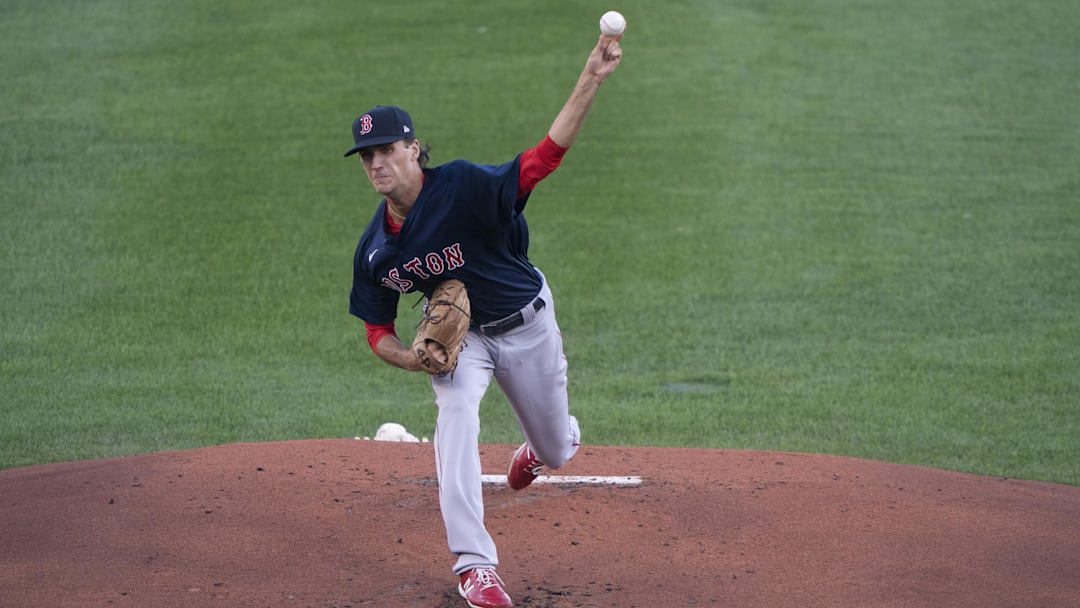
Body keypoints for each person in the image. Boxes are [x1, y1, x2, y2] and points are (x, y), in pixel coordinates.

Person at [345, 32, 622, 608]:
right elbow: (377, 327)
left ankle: (542, 447)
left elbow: (543, 158)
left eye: (387, 150)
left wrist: (591, 78)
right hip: (463, 341)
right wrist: (409, 356)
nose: (377, 163)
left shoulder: (466, 186)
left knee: (555, 451)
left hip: (527, 323)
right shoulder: (376, 251)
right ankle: (475, 567)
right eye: (368, 156)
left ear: (414, 149)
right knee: (455, 413)